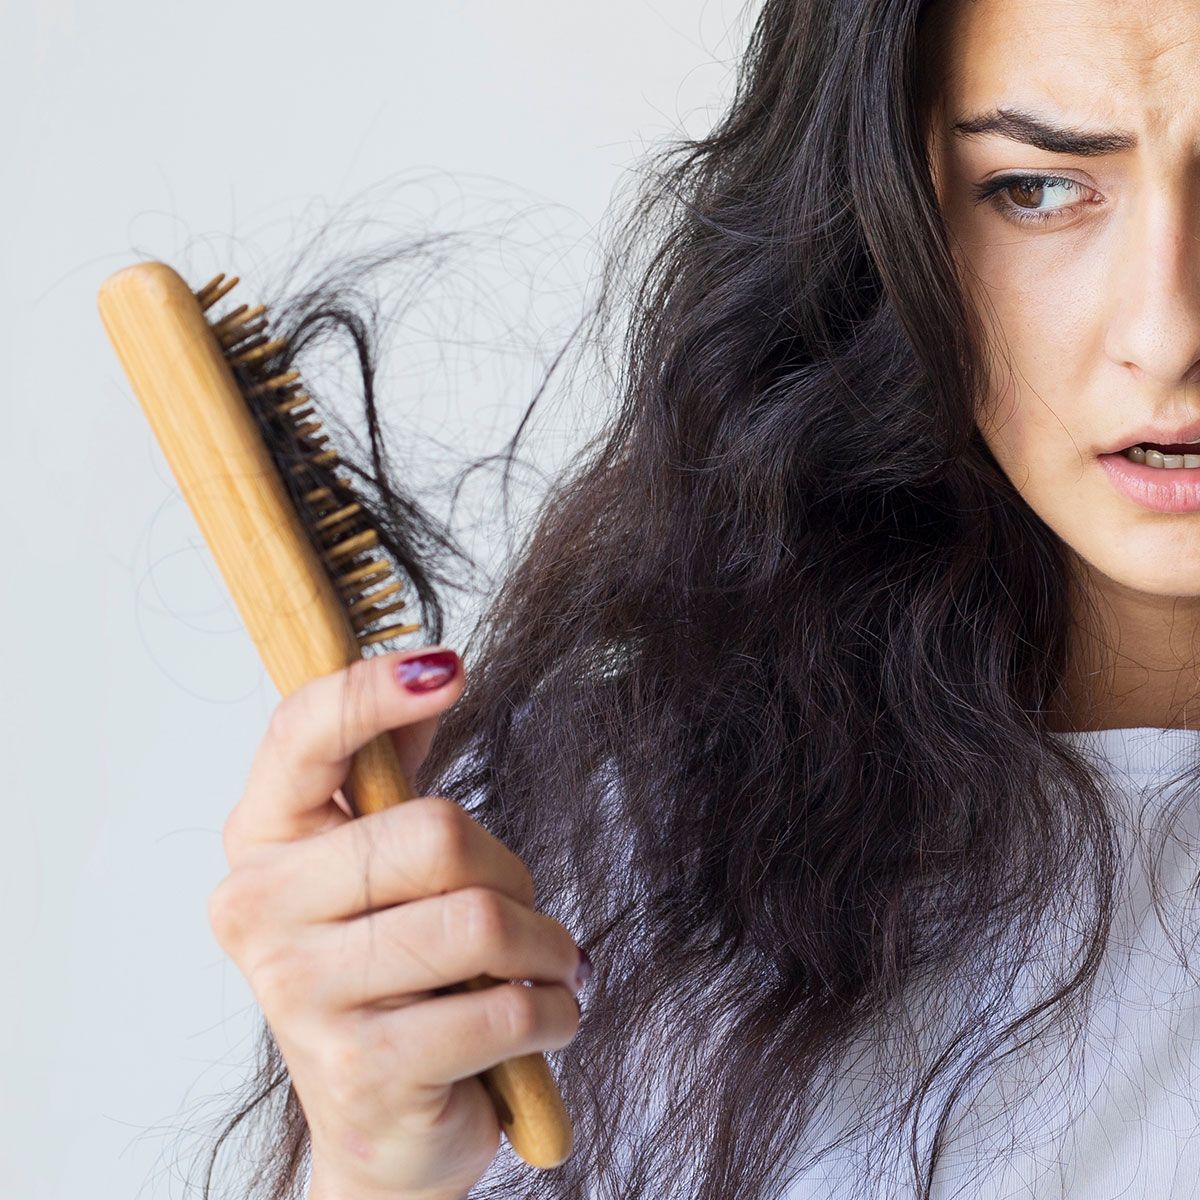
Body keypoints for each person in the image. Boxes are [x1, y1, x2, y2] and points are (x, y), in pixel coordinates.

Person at [198, 0, 1200, 1196]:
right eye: (1033, 190)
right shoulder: (594, 868)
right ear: (884, 226)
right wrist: (381, 1173)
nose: (1164, 330)